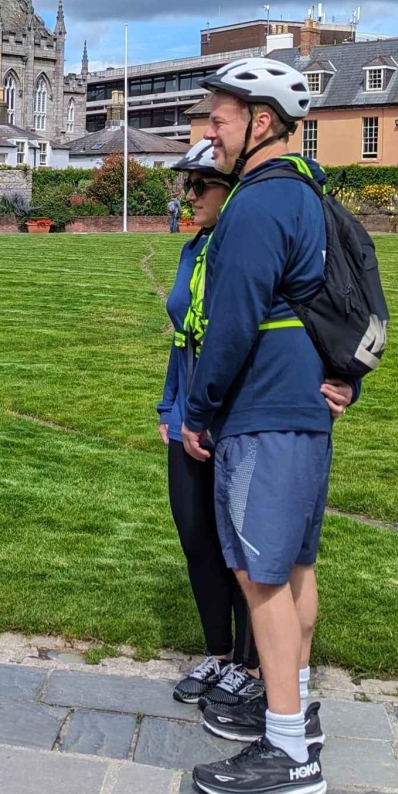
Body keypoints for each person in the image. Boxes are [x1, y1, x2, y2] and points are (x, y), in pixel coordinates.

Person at [180, 58, 357, 794]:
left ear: (260, 121)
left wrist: (198, 410)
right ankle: (297, 710)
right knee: (296, 569)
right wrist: (347, 376)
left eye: (219, 120)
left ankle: (288, 754)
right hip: (303, 410)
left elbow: (231, 322)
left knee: (261, 579)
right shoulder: (310, 192)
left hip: (263, 412)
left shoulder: (255, 204)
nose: (210, 134)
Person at [160, 141, 261, 709]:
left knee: (242, 547)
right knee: (196, 539)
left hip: (236, 420)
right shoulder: (192, 249)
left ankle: (251, 663)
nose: (190, 196)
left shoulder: (245, 253)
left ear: (233, 191)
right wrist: (168, 407)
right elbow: (184, 338)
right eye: (187, 186)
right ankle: (219, 653)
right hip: (187, 420)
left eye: (201, 186)